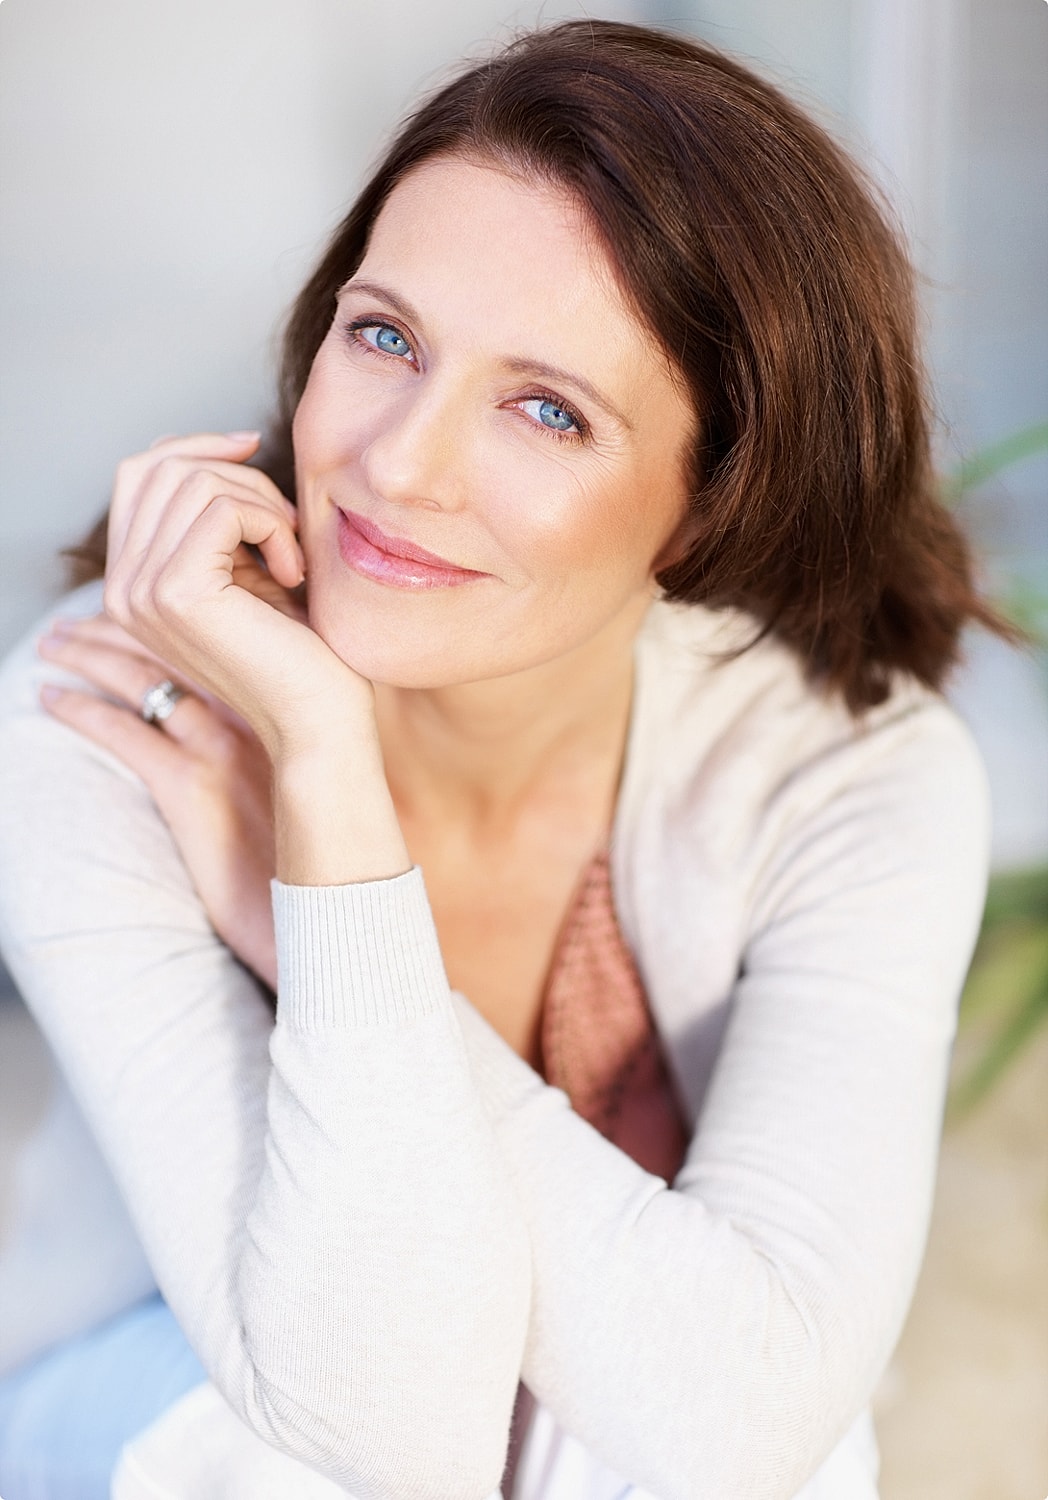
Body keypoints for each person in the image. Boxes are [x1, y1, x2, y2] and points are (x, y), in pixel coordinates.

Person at [0, 17, 1008, 1500]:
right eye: (386, 335)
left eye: (548, 410)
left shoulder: (846, 774)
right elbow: (374, 1425)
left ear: (712, 503)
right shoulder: (110, 707)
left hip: (630, 1416)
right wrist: (325, 755)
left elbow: (740, 1420)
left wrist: (308, 915)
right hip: (180, 1399)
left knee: (752, 1447)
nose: (395, 464)